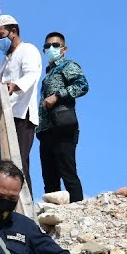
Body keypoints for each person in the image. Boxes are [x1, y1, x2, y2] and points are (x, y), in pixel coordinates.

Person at [0, 14, 42, 191]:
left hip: (22, 115)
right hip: (7, 117)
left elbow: (32, 75)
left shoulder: (27, 50)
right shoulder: (6, 59)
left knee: (18, 166)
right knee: (5, 165)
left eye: (1, 35)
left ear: (13, 32)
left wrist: (16, 85)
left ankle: (24, 209)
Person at [37, 31, 89, 203]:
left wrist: (58, 95)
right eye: (47, 46)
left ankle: (78, 210)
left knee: (68, 172)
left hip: (63, 127)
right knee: (49, 177)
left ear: (64, 49)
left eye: (55, 45)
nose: (51, 48)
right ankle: (53, 219)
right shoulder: (48, 74)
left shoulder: (67, 66)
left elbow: (82, 85)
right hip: (46, 130)